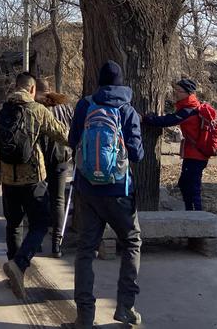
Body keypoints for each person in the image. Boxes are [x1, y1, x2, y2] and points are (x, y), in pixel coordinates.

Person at [0, 71, 69, 299]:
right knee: (40, 223)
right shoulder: (37, 111)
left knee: (14, 225)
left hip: (8, 179)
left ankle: (14, 272)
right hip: (33, 178)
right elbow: (63, 135)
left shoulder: (1, 110)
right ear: (31, 89)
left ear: (15, 87)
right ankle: (19, 264)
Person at [69, 60, 143, 329]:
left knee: (86, 250)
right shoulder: (127, 109)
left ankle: (85, 316)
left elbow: (72, 140)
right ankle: (125, 307)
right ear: (121, 83)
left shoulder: (85, 105)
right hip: (119, 191)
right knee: (132, 242)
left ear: (99, 83)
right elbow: (136, 154)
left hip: (88, 189)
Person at [143, 77, 211, 211]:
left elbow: (168, 120)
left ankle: (196, 215)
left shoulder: (188, 110)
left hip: (195, 155)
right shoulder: (191, 107)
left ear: (188, 93)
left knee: (191, 186)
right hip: (196, 154)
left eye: (179, 91)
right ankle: (191, 211)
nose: (175, 94)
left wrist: (146, 119)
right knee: (186, 184)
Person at [35, 77, 74, 257]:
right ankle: (57, 244)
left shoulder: (36, 109)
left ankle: (36, 240)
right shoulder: (65, 108)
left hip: (40, 160)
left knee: (39, 199)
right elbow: (74, 132)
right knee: (58, 200)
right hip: (61, 158)